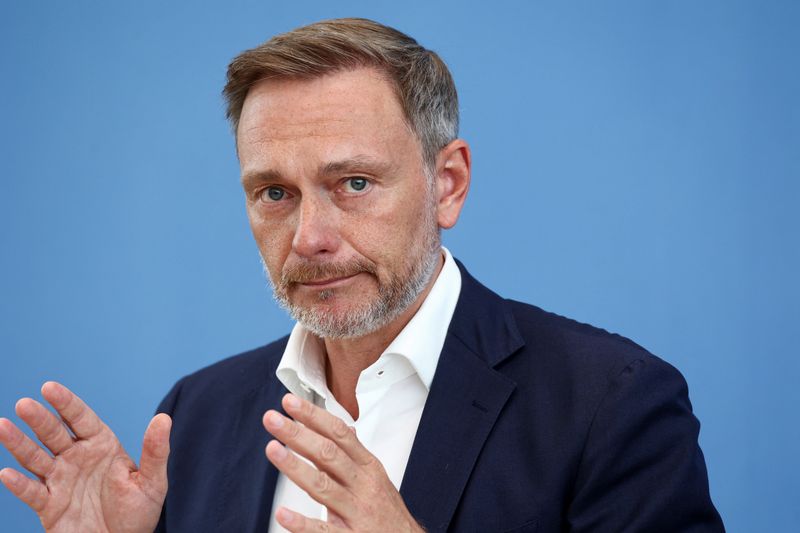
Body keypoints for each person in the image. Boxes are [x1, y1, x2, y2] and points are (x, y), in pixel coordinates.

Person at [0, 18, 724, 532]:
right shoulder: (197, 413)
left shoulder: (612, 403)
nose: (310, 237)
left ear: (447, 184)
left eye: (352, 183)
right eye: (274, 193)